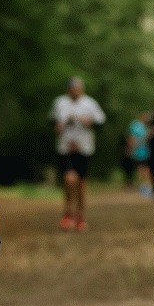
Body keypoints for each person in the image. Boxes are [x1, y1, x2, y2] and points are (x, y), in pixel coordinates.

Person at [50, 76, 106, 231]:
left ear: (82, 89)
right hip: (65, 148)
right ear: (68, 89)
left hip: (84, 148)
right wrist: (58, 126)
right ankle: (67, 213)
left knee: (81, 184)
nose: (74, 91)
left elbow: (101, 121)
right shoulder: (60, 102)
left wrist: (89, 121)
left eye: (77, 88)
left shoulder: (90, 103)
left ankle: (80, 216)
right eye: (72, 88)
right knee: (69, 179)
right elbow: (52, 121)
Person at [129, 113, 153, 196]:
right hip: (139, 151)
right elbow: (131, 137)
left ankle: (145, 185)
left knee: (145, 168)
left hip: (145, 150)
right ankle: (144, 186)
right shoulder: (135, 125)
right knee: (142, 168)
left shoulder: (146, 126)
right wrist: (132, 147)